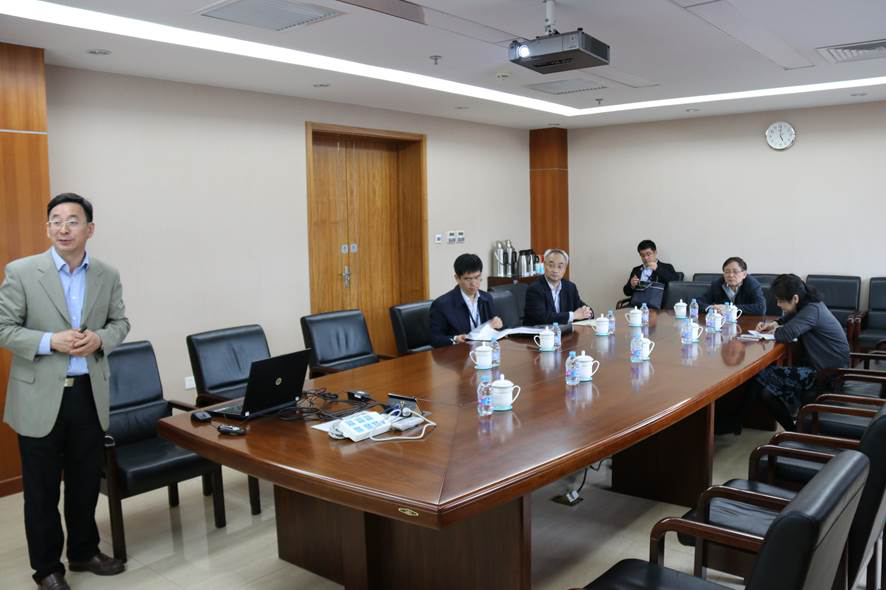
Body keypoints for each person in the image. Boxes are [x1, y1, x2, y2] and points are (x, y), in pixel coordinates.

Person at [0, 193, 130, 590]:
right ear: (47, 228)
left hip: (88, 394)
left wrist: (101, 339)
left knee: (85, 482)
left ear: (89, 229)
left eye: (72, 221)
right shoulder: (22, 272)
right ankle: (47, 569)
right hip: (38, 397)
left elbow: (120, 323)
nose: (63, 228)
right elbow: (4, 328)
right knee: (41, 490)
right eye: (55, 221)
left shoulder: (107, 274)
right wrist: (49, 341)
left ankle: (84, 552)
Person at [754, 274, 850, 431]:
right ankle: (793, 431)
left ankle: (792, 431)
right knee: (766, 392)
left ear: (795, 298)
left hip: (827, 374)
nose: (778, 304)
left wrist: (775, 330)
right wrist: (775, 323)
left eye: (781, 301)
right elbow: (793, 316)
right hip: (821, 367)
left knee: (760, 374)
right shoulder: (810, 304)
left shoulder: (812, 310)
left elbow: (785, 334)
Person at [429, 253, 502, 348]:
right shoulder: (441, 305)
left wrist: (497, 324)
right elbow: (435, 340)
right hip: (458, 353)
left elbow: (493, 329)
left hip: (484, 351)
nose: (473, 283)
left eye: (477, 277)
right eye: (468, 279)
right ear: (457, 278)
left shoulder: (486, 298)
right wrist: (455, 339)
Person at [524, 249, 593, 326]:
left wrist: (587, 312)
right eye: (551, 265)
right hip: (538, 332)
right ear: (544, 265)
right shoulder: (535, 289)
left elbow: (583, 308)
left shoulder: (570, 287)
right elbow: (542, 317)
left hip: (563, 332)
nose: (555, 270)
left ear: (565, 269)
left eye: (560, 266)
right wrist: (573, 315)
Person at [698, 256, 766, 316]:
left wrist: (730, 308)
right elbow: (698, 303)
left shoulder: (752, 284)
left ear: (744, 274)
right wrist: (711, 308)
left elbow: (761, 308)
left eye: (735, 272)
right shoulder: (717, 284)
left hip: (746, 322)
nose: (730, 275)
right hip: (723, 323)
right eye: (727, 272)